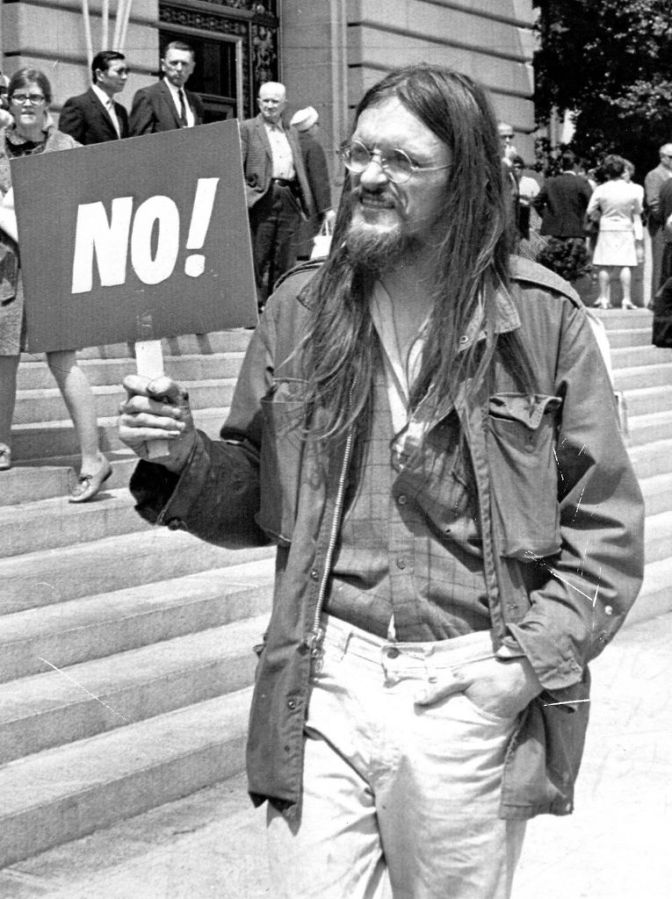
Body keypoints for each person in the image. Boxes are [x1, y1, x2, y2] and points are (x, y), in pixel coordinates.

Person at [119, 64, 644, 898]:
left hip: (467, 687)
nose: (367, 175)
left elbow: (605, 531)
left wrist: (519, 671)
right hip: (323, 679)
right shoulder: (299, 308)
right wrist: (181, 452)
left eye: (402, 160)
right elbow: (259, 494)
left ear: (465, 178)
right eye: (360, 152)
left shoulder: (544, 320)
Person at [0, 67, 111, 498]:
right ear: (9, 103)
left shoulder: (66, 146)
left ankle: (93, 458)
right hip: (7, 271)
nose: (27, 103)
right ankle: (2, 445)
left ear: (47, 103)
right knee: (2, 359)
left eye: (35, 96)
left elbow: (93, 199)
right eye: (19, 96)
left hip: (54, 269)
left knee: (63, 361)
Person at [239, 81, 313, 306]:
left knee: (285, 256)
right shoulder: (248, 128)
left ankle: (277, 307)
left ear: (284, 104)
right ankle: (253, 308)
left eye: (275, 101)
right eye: (266, 101)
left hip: (288, 196)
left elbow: (299, 166)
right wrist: (246, 196)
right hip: (261, 197)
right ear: (258, 102)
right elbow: (237, 166)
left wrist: (303, 200)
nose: (270, 106)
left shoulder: (291, 131)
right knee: (257, 256)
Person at [586, 154, 644, 309]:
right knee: (626, 264)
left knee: (604, 264)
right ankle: (626, 299)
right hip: (625, 227)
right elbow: (638, 210)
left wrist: (602, 215)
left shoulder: (601, 189)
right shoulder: (631, 189)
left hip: (606, 227)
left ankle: (604, 298)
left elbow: (590, 210)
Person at [534, 150, 593, 282]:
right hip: (577, 231)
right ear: (576, 165)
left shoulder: (551, 182)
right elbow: (592, 205)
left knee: (555, 268)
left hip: (555, 232)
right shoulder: (582, 183)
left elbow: (537, 202)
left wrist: (549, 216)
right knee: (575, 269)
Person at [289, 105, 336, 259]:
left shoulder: (290, 144)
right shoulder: (314, 147)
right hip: (310, 210)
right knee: (309, 252)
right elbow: (319, 181)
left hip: (292, 206)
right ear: (311, 127)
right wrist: (327, 209)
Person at [129, 41, 204, 135]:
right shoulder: (148, 96)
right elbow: (139, 140)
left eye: (184, 64)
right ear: (163, 65)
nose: (179, 68)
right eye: (174, 63)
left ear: (192, 68)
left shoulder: (196, 101)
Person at [59, 50, 130, 144]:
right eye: (119, 72)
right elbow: (65, 147)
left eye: (126, 72)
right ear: (100, 74)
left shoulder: (121, 111)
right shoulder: (78, 105)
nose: (125, 77)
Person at [644, 143, 672, 304]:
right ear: (662, 157)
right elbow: (653, 203)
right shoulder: (654, 175)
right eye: (671, 157)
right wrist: (666, 219)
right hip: (661, 226)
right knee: (661, 263)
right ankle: (656, 300)